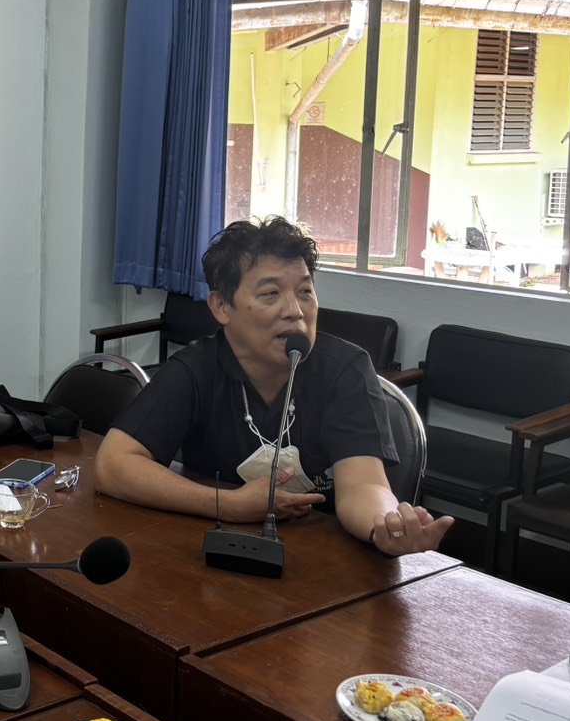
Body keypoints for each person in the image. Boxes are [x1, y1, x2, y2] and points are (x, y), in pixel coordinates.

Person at [94, 217, 453, 556]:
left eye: (305, 292)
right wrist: (227, 504)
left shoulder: (345, 369)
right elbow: (113, 464)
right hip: (217, 547)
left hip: (324, 557)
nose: (295, 310)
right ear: (222, 307)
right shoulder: (196, 369)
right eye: (270, 293)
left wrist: (384, 526)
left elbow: (363, 485)